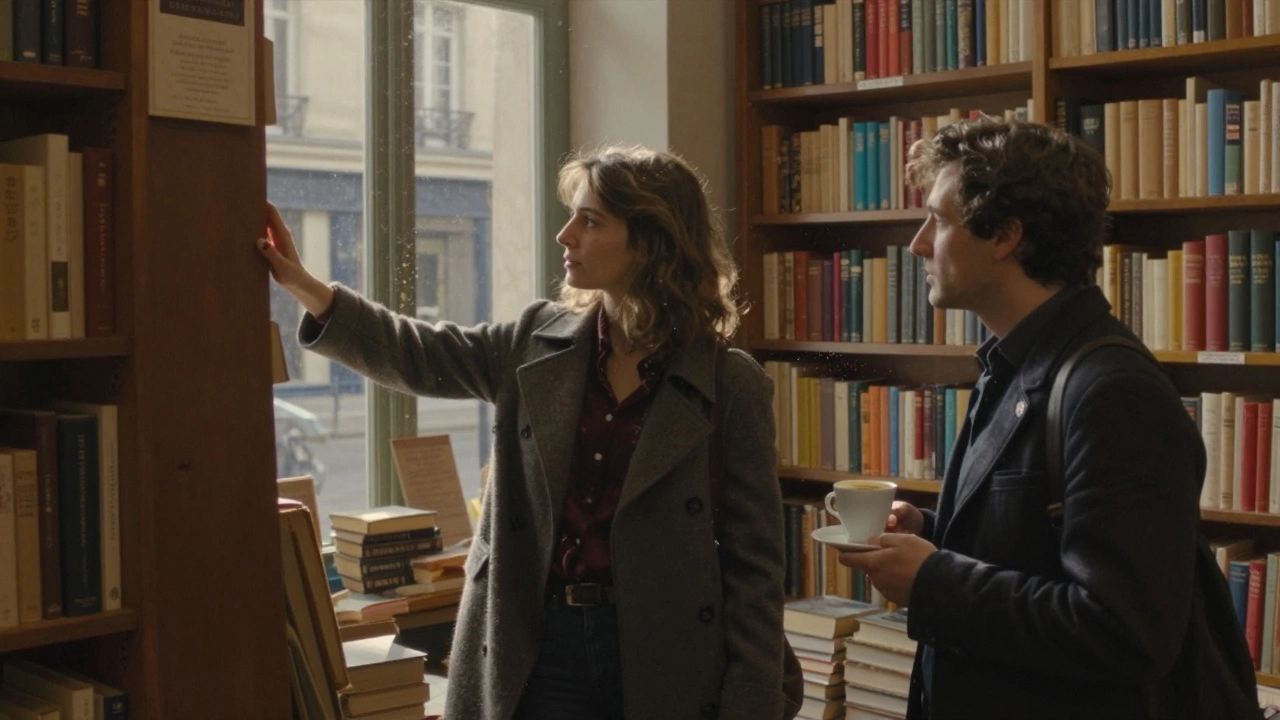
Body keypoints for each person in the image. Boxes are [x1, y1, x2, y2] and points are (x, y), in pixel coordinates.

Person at [258, 146, 789, 720]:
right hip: (537, 642)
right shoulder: (537, 341)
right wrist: (309, 289)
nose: (565, 235)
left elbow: (755, 570)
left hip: (664, 654)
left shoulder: (730, 386)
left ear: (651, 241)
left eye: (590, 220)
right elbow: (419, 354)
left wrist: (751, 705)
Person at [838, 118, 1259, 719]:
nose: (919, 243)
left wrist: (934, 581)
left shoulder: (1112, 393)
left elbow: (1127, 630)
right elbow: (1045, 541)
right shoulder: (1016, 362)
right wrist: (933, 534)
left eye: (940, 219)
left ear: (1006, 235)